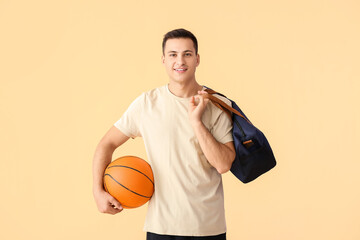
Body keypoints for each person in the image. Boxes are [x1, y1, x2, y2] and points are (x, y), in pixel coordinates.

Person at [93, 28, 235, 240]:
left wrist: (196, 122)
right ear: (163, 60)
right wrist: (98, 191)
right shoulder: (146, 104)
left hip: (207, 227)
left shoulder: (217, 104)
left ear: (197, 59)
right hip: (161, 227)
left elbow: (223, 164)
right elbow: (106, 144)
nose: (180, 61)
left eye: (187, 54)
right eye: (173, 55)